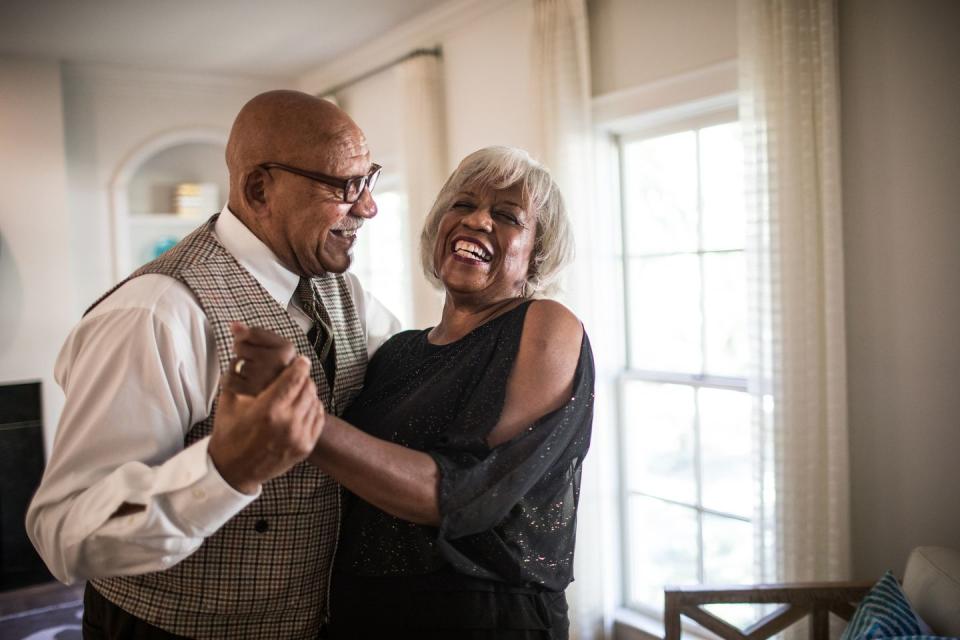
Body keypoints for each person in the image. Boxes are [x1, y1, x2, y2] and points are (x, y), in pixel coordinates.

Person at [25, 90, 400, 639]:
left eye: (368, 181)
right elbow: (64, 531)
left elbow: (418, 369)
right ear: (258, 189)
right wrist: (223, 471)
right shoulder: (155, 313)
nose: (368, 207)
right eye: (344, 186)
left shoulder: (350, 295)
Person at [231, 146, 594, 639]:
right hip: (360, 610)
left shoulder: (546, 325)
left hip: (483, 618)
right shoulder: (398, 351)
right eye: (463, 205)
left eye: (508, 216)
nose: (479, 220)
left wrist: (301, 417)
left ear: (538, 253)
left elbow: (466, 494)